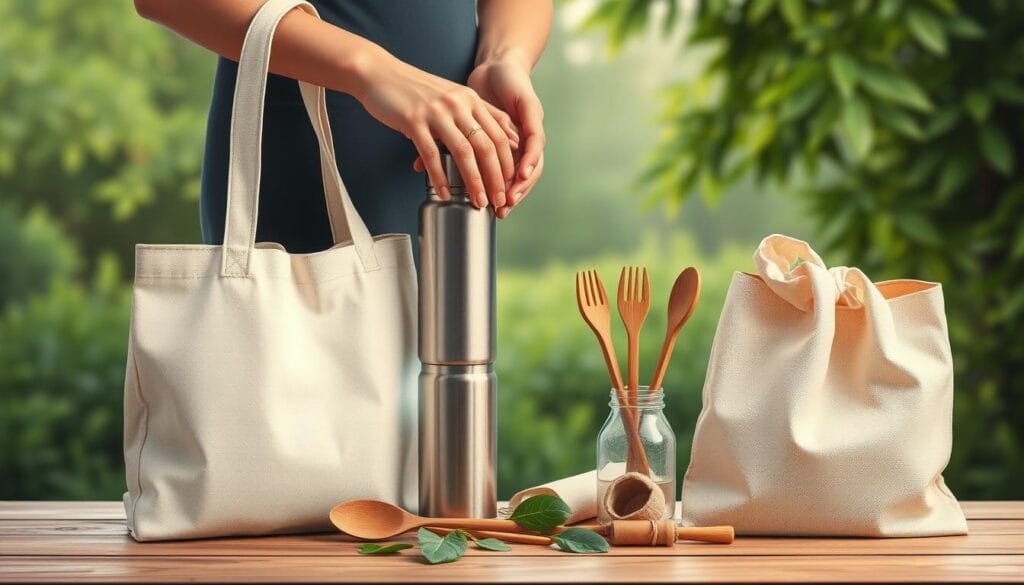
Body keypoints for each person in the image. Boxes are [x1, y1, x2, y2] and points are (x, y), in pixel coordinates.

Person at [134, 0, 551, 259]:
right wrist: (373, 71)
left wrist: (503, 57)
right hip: (302, 171)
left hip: (452, 173)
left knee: (450, 366)